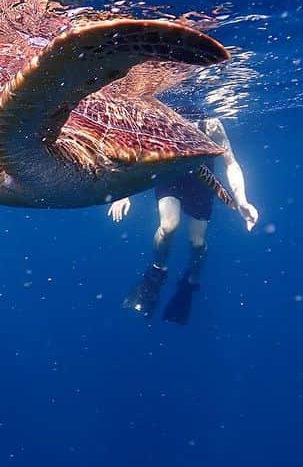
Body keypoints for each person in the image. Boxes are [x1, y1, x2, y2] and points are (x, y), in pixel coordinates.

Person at [108, 117, 259, 324]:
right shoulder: (159, 117)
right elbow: (135, 153)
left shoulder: (211, 125)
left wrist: (242, 200)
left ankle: (191, 281)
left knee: (197, 242)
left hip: (201, 182)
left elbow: (231, 163)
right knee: (168, 226)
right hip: (170, 174)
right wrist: (123, 192)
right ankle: (156, 272)